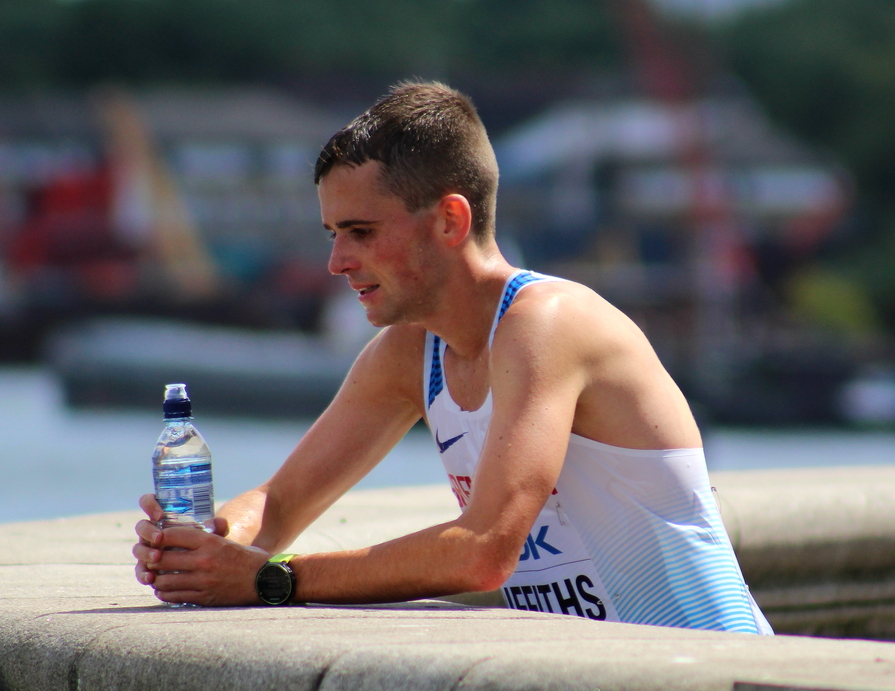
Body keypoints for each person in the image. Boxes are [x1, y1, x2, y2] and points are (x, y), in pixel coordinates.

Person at [133, 81, 772, 634]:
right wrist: (206, 546)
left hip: (710, 664)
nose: (337, 262)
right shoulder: (410, 353)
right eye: (332, 235)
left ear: (450, 220)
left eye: (361, 232)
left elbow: (482, 551)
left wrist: (272, 581)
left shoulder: (547, 325)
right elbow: (278, 505)